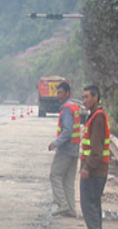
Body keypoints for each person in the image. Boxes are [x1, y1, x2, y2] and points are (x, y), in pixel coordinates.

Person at [79, 85, 111, 229]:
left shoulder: (97, 117)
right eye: (83, 97)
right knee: (94, 202)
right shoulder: (95, 116)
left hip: (95, 170)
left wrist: (87, 168)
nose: (84, 100)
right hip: (98, 170)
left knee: (88, 203)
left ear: (95, 97)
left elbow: (96, 150)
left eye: (86, 97)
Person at [48, 81, 81, 217]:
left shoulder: (67, 108)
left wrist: (56, 143)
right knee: (68, 180)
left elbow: (67, 131)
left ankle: (62, 204)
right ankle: (71, 210)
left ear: (68, 93)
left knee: (55, 175)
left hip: (66, 149)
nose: (59, 96)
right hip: (74, 148)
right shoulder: (75, 106)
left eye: (61, 93)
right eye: (58, 93)